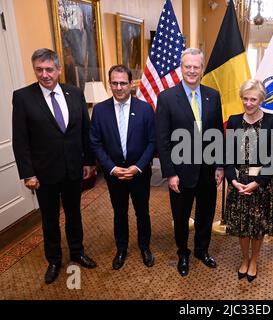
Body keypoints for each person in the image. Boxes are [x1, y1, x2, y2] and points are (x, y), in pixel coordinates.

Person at [12, 48, 97, 284]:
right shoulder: (22, 97)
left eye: (49, 69)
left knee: (74, 214)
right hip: (43, 173)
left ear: (58, 69)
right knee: (49, 219)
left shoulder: (75, 93)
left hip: (73, 169)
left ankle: (77, 252)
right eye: (39, 69)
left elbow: (84, 131)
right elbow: (20, 139)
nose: (44, 74)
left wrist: (89, 161)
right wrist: (27, 173)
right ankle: (54, 260)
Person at [156, 48, 224, 277]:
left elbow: (217, 134)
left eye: (197, 66)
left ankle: (201, 250)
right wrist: (170, 173)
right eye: (188, 66)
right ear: (181, 69)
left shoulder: (213, 95)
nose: (192, 70)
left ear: (202, 69)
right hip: (180, 172)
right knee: (181, 216)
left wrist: (220, 166)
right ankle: (183, 253)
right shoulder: (166, 98)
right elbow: (162, 139)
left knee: (206, 213)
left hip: (207, 170)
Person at [90, 65, 156, 270]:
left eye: (123, 83)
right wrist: (110, 168)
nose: (119, 87)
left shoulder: (145, 109)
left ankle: (145, 247)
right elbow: (95, 142)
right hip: (114, 174)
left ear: (131, 84)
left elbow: (152, 142)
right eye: (114, 83)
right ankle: (121, 249)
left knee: (142, 211)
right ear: (110, 84)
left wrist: (138, 167)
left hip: (139, 173)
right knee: (119, 212)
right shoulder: (100, 110)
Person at [224, 79, 273, 283]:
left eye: (253, 99)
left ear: (261, 100)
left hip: (261, 183)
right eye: (245, 99)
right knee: (242, 225)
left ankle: (254, 260)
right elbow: (228, 156)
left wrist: (257, 182)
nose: (248, 103)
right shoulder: (233, 120)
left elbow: (272, 158)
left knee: (257, 225)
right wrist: (233, 181)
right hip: (239, 182)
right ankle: (244, 258)